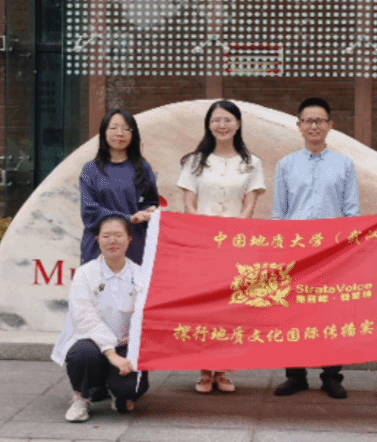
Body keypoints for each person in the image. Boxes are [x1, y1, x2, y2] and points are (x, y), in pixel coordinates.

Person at [271, 97, 361, 399]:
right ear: (299, 126)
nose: (314, 126)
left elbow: (352, 212)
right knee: (293, 313)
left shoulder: (344, 164)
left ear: (330, 125)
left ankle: (331, 376)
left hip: (332, 253)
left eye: (320, 121)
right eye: (308, 121)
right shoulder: (286, 165)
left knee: (331, 313)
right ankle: (295, 375)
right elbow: (279, 213)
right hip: (296, 252)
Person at [177, 99, 266, 394]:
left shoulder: (252, 163)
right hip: (202, 245)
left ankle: (224, 370)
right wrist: (205, 231)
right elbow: (189, 204)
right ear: (209, 124)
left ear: (238, 124)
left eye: (228, 120)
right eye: (216, 120)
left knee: (231, 308)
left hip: (236, 246)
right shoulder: (194, 162)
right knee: (204, 308)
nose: (222, 125)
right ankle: (204, 371)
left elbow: (249, 205)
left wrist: (233, 233)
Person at [51, 215, 149, 422]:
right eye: (106, 236)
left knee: (130, 389)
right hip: (92, 343)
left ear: (129, 240)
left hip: (125, 344)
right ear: (97, 240)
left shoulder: (140, 275)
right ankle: (81, 397)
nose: (112, 241)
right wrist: (110, 353)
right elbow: (84, 317)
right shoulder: (85, 274)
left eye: (118, 235)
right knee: (82, 354)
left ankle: (114, 391)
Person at [80, 109, 160, 265]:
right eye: (114, 128)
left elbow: (151, 201)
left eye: (126, 129)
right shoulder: (91, 170)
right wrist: (128, 218)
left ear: (133, 134)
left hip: (133, 243)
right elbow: (89, 212)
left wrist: (148, 212)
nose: (120, 133)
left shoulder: (143, 168)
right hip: (99, 245)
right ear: (103, 132)